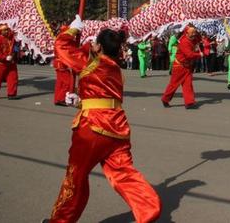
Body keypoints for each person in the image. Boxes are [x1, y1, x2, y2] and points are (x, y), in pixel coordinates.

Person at [45, 16, 161, 222]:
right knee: (124, 174)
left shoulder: (93, 63)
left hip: (93, 128)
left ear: (99, 47)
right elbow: (103, 98)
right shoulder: (116, 69)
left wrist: (71, 30)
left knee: (76, 177)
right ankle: (149, 210)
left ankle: (60, 221)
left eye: (94, 42)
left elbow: (61, 46)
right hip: (117, 128)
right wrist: (79, 101)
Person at [161, 25, 202, 109]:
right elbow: (189, 55)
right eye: (192, 32)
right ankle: (165, 99)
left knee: (188, 84)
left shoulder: (192, 39)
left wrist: (196, 27)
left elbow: (199, 38)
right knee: (173, 84)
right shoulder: (184, 42)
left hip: (187, 67)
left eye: (194, 32)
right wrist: (199, 54)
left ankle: (189, 102)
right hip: (179, 66)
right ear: (186, 33)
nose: (194, 34)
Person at [0, 23, 19, 99]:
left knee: (13, 77)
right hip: (1, 63)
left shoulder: (11, 38)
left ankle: (11, 94)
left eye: (7, 29)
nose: (7, 31)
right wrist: (4, 57)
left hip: (11, 63)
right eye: (5, 30)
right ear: (0, 31)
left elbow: (15, 35)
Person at [53, 24, 75, 106]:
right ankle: (61, 98)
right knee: (67, 82)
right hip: (61, 64)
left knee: (60, 83)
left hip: (59, 63)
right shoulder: (63, 39)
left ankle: (57, 98)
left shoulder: (60, 38)